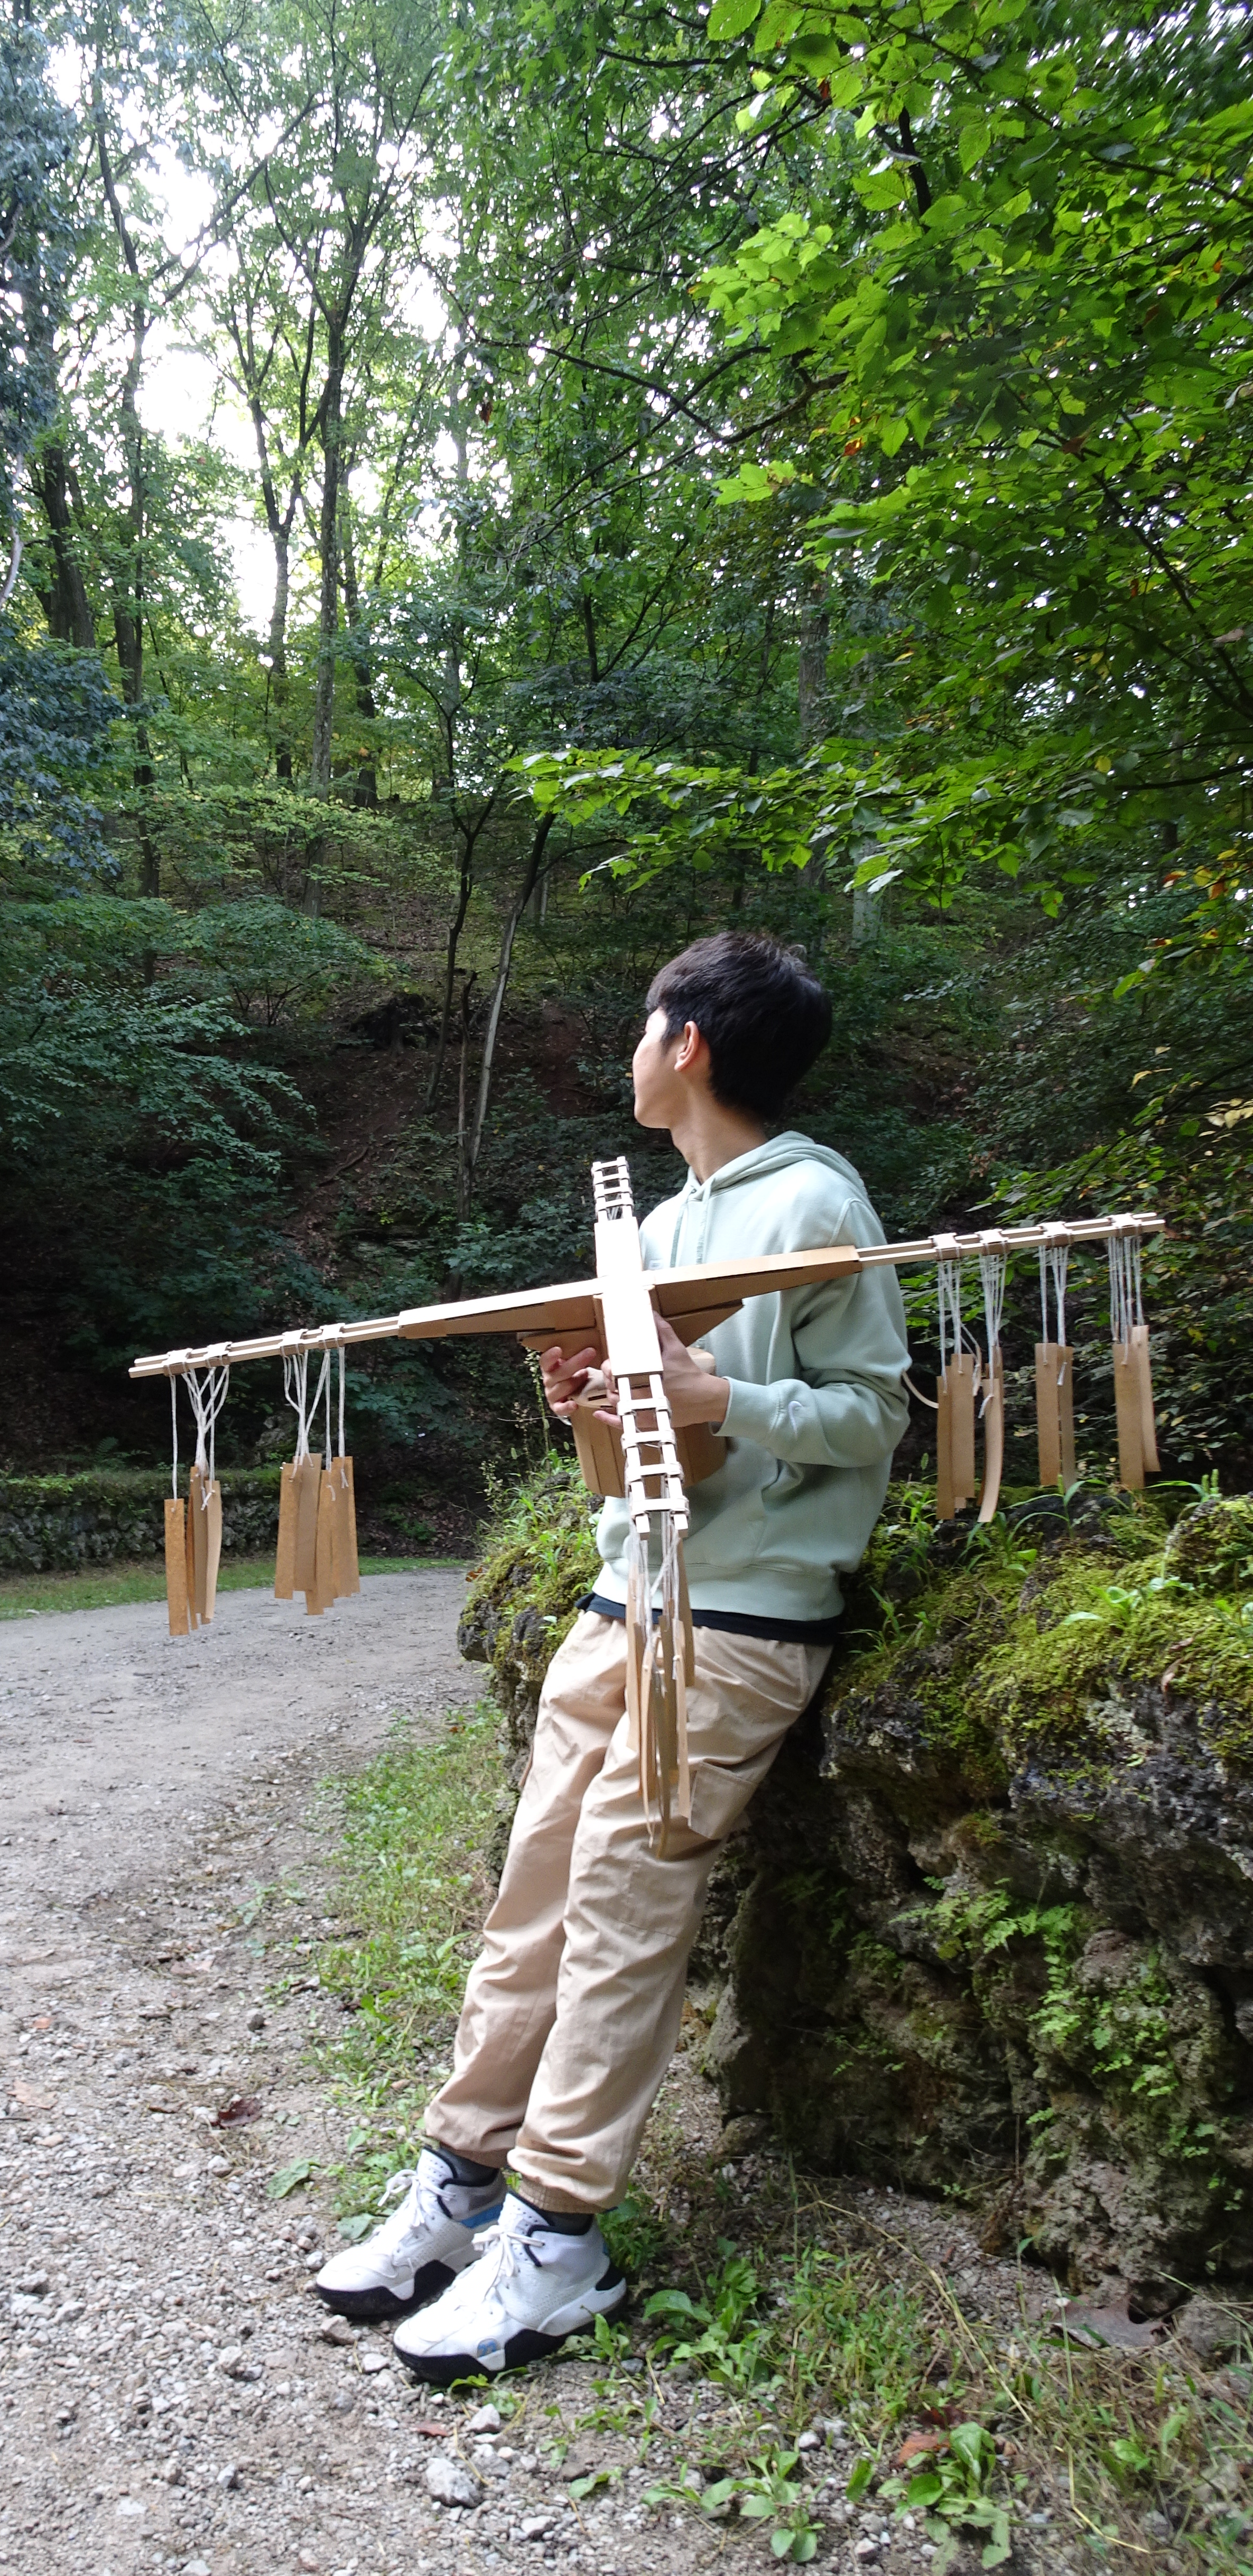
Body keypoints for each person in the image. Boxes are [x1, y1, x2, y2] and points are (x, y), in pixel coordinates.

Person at [313, 930, 909, 2385]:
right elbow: (623, 1457)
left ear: (688, 1041)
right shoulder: (650, 1225)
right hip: (621, 1598)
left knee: (624, 1922)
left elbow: (878, 1416)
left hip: (741, 1617)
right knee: (530, 1909)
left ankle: (558, 2240)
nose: (632, 1051)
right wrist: (583, 1391)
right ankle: (458, 2186)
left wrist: (730, 1389)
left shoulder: (818, 1201)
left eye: (645, 1026)